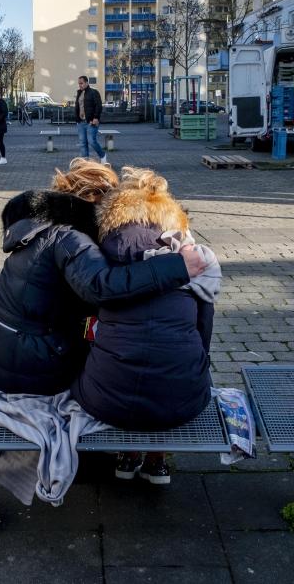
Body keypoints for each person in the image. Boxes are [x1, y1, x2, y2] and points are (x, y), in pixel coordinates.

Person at [0, 159, 207, 396]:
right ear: (96, 199)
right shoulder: (68, 236)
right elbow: (101, 286)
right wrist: (178, 266)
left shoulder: (42, 223)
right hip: (25, 367)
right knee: (105, 369)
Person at [71, 167, 221, 485]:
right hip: (183, 402)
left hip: (106, 402)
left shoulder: (100, 256)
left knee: (108, 368)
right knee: (170, 368)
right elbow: (203, 330)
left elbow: (88, 324)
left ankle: (128, 454)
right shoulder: (190, 257)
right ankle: (157, 459)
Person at [74, 75, 106, 163]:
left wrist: (96, 117)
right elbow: (78, 107)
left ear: (87, 83)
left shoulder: (94, 92)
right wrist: (77, 119)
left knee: (92, 141)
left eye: (81, 83)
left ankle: (103, 156)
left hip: (91, 121)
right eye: (79, 83)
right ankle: (86, 163)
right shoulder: (79, 93)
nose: (80, 85)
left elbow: (98, 106)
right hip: (81, 122)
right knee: (83, 143)